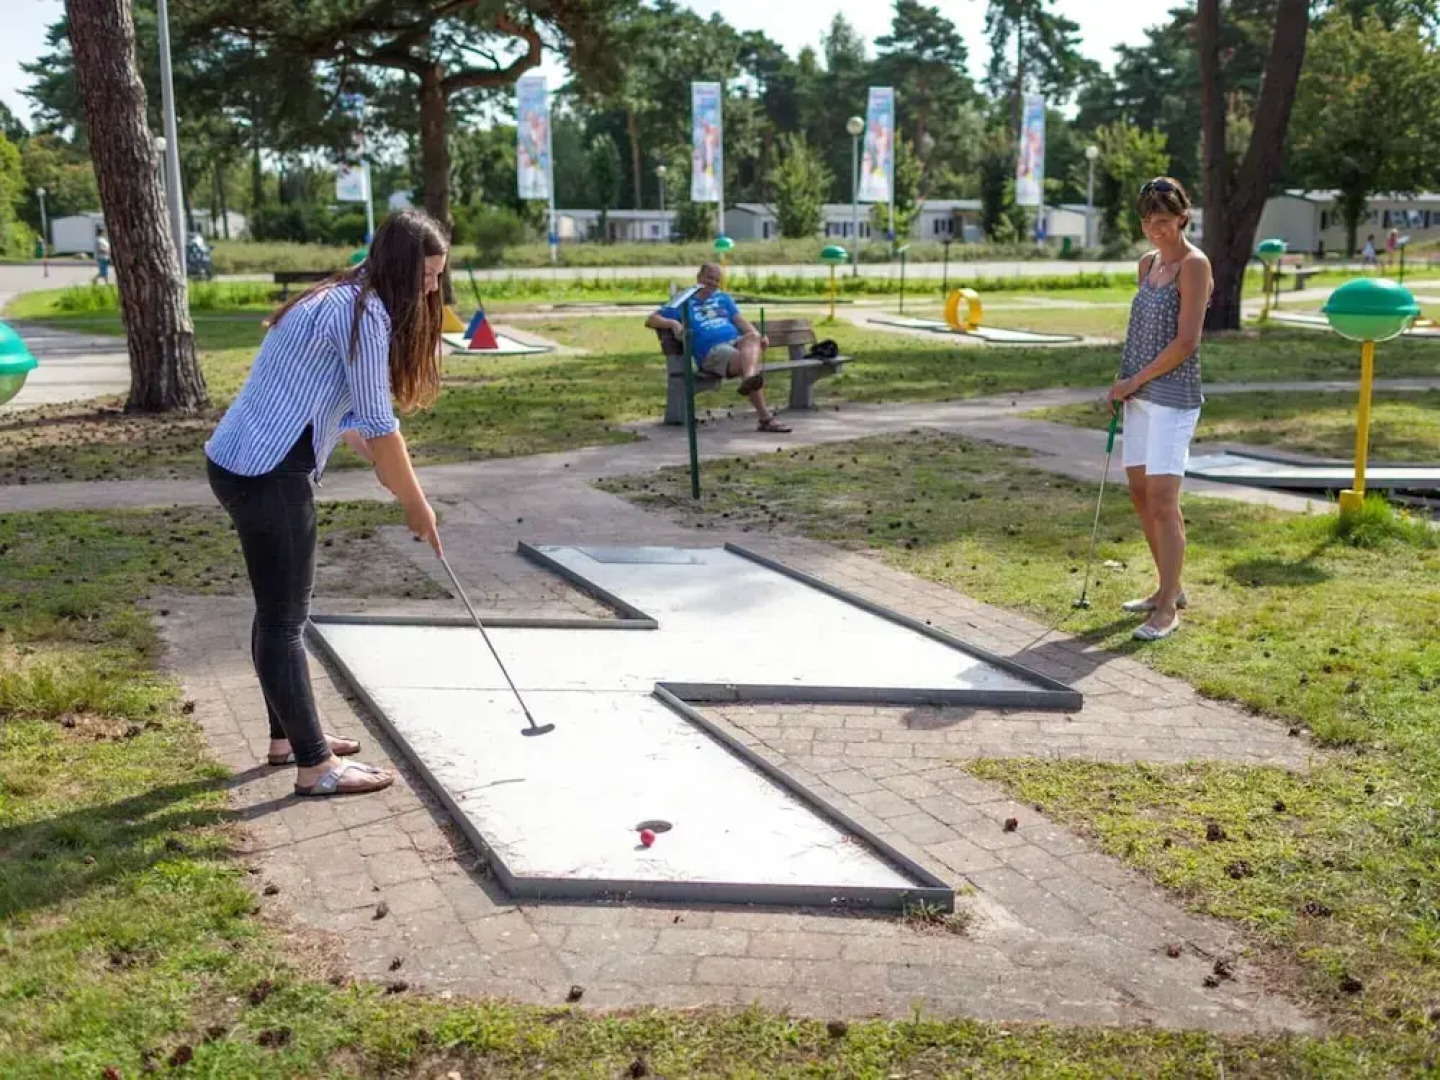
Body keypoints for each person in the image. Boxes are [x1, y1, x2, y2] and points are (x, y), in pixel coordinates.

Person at [204, 209, 448, 797]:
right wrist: (415, 503)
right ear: (400, 269)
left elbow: (340, 410)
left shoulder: (339, 296)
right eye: (426, 277)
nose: (431, 289)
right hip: (267, 472)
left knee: (276, 612)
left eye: (438, 277)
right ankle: (315, 767)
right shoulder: (364, 316)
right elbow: (381, 424)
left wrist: (378, 460)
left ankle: (289, 739)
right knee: (285, 621)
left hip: (240, 460)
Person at [1106, 177, 1213, 642]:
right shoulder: (1147, 264)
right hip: (1138, 397)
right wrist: (1122, 384)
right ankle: (1169, 587)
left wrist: (1136, 380)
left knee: (1164, 501)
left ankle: (1168, 608)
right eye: (1148, 221)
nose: (1155, 229)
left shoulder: (1195, 265)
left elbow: (1187, 342)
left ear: (1183, 218)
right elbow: (1141, 332)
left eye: (1164, 220)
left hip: (1173, 398)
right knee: (1140, 494)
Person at [645, 263, 791, 433]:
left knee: (753, 338)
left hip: (736, 343)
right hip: (713, 352)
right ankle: (764, 415)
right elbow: (651, 319)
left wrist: (758, 336)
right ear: (699, 277)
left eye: (716, 280)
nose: (713, 283)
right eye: (710, 278)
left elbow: (740, 321)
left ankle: (750, 380)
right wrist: (673, 323)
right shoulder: (683, 300)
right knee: (747, 364)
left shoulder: (723, 298)